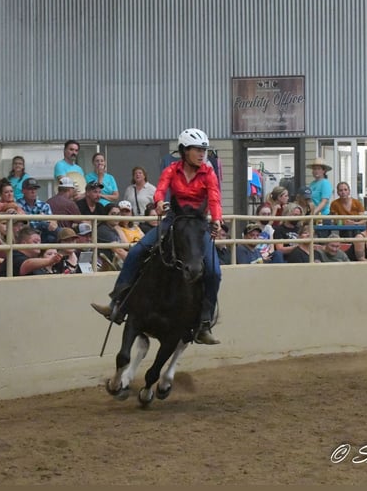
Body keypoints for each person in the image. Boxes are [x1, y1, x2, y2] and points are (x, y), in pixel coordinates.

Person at [91, 128, 223, 345]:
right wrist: (159, 201)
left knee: (215, 272)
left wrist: (216, 219)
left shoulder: (208, 173)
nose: (202, 154)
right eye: (197, 150)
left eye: (203, 150)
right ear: (184, 151)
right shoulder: (172, 169)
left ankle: (204, 322)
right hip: (174, 219)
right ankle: (117, 304)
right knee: (136, 251)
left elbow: (215, 198)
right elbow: (160, 190)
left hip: (198, 225)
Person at [17, 177, 59, 243]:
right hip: (24, 234)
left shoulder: (44, 205)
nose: (33, 191)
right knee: (44, 225)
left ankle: (66, 240)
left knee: (52, 237)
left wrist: (51, 223)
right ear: (23, 191)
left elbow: (51, 222)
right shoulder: (17, 205)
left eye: (35, 189)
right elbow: (21, 225)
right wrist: (41, 221)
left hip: (43, 234)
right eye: (30, 189)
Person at [96, 203, 130, 269]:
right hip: (105, 267)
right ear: (106, 215)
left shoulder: (114, 228)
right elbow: (119, 251)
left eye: (118, 214)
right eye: (113, 214)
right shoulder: (103, 230)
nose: (116, 217)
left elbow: (125, 245)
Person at [307, 157, 332, 222]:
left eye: (318, 169)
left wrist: (313, 213)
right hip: (313, 215)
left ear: (324, 171)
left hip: (323, 216)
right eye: (314, 169)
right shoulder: (312, 184)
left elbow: (324, 201)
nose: (316, 171)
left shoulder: (325, 183)